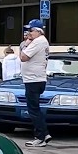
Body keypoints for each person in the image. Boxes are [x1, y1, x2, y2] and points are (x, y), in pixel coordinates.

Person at [18, 19, 50, 147]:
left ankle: (39, 137)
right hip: (36, 79)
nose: (28, 33)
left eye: (30, 30)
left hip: (33, 79)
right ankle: (45, 133)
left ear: (38, 31)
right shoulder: (41, 42)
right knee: (35, 108)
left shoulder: (38, 42)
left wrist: (23, 45)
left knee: (33, 110)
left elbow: (23, 57)